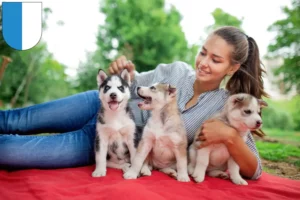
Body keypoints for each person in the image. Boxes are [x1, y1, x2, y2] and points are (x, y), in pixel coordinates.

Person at [0, 26, 268, 180]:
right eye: (203, 52)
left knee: (13, 152)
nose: (204, 63)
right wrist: (123, 68)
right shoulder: (174, 70)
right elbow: (131, 82)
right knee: (17, 120)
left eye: (216, 60)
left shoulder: (226, 106)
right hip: (99, 105)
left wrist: (231, 137)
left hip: (111, 144)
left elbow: (254, 169)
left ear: (232, 68)